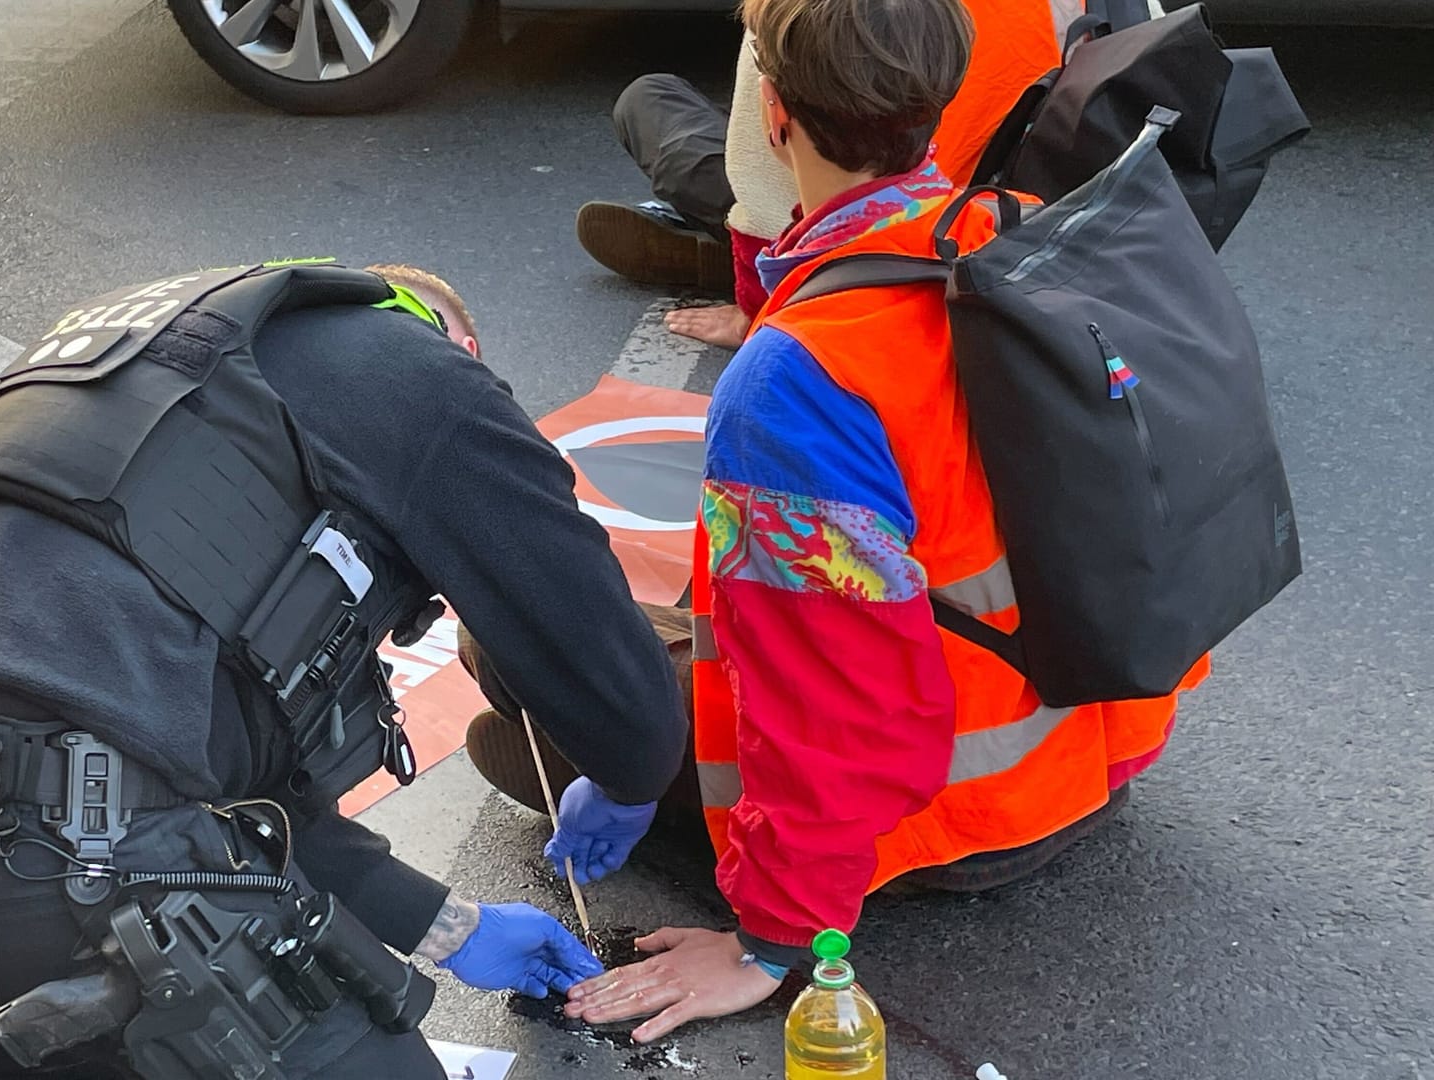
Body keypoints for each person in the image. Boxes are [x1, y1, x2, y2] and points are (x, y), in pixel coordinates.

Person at [0, 262, 690, 1080]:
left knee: (96, 954)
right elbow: (612, 671)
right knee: (271, 1013)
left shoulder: (181, 367)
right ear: (458, 347)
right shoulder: (430, 381)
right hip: (61, 822)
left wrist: (451, 927)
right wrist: (634, 775)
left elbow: (243, 808)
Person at [470, 0, 1205, 1043]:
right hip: (1094, 746)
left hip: (950, 820)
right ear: (943, 98)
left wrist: (774, 939)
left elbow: (837, 700)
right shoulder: (1024, 236)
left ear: (772, 113)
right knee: (577, 666)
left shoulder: (802, 373)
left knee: (506, 671)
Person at [577, 0, 1074, 348]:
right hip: (982, 203)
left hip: (840, 216)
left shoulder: (790, 363)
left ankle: (760, 266)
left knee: (650, 99)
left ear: (774, 111)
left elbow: (762, 186)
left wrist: (756, 316)